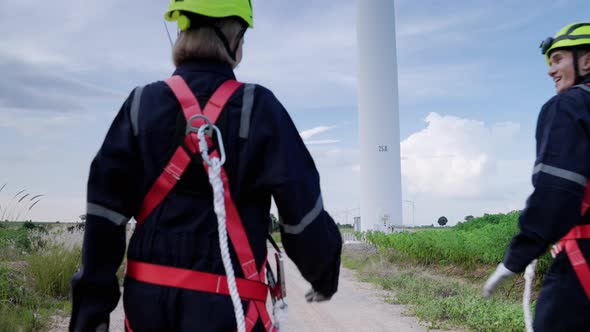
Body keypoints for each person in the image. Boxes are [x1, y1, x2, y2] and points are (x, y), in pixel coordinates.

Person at [69, 1, 342, 331]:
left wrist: (89, 320)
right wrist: (322, 276)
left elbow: (104, 220)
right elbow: (303, 215)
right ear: (236, 39)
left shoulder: (141, 105)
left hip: (149, 313)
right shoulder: (260, 109)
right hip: (231, 312)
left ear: (181, 31)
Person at [483, 23, 590, 331]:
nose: (550, 70)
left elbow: (557, 190)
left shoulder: (570, 106)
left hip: (581, 270)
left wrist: (518, 256)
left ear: (586, 61)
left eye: (557, 59)